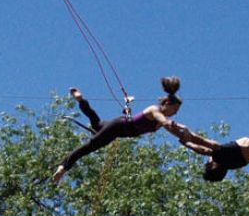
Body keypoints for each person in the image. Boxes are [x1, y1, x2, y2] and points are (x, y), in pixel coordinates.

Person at [52, 76, 189, 181]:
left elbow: (173, 131)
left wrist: (188, 139)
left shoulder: (162, 119)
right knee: (91, 146)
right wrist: (181, 126)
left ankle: (81, 100)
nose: (175, 113)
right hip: (118, 127)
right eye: (175, 109)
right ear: (167, 104)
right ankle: (63, 167)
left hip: (118, 129)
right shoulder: (155, 111)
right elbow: (165, 122)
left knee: (96, 123)